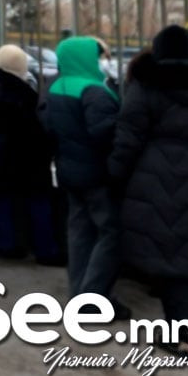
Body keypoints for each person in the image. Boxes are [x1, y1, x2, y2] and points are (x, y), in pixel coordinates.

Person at [110, 26, 188, 357]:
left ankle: (182, 336)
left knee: (172, 258)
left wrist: (116, 176)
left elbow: (128, 138)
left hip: (160, 179)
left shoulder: (148, 86)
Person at [43, 36, 126, 314]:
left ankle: (78, 293)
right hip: (98, 176)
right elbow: (105, 134)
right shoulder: (94, 91)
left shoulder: (56, 87)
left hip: (69, 172)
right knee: (112, 234)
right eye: (99, 55)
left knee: (79, 233)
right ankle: (94, 298)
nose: (103, 61)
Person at [0, 45, 62, 265]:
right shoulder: (23, 92)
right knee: (38, 201)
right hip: (27, 157)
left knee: (1, 198)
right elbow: (34, 130)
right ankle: (45, 250)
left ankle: (6, 243)